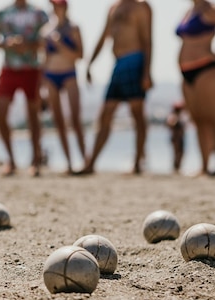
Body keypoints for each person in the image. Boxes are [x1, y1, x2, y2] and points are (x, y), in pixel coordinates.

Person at [79, 0, 153, 175]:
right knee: (106, 113)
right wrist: (90, 63)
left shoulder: (141, 6)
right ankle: (91, 163)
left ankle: (138, 163)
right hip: (118, 64)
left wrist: (146, 72)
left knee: (137, 114)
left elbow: (147, 40)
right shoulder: (113, 8)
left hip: (135, 61)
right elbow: (103, 36)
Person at [0, 0, 49, 177]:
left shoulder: (39, 13)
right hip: (9, 68)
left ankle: (35, 161)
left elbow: (47, 42)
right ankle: (11, 160)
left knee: (33, 115)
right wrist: (7, 44)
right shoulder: (1, 14)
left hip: (32, 68)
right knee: (0, 113)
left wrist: (27, 45)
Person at [176, 0, 215, 176]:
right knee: (198, 120)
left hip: (207, 68)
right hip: (187, 72)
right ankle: (205, 166)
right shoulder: (189, 11)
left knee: (214, 118)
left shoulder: (211, 9)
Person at [42, 0, 85, 174]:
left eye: (58, 5)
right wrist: (41, 85)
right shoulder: (46, 31)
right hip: (51, 76)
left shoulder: (74, 28)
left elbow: (79, 55)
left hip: (69, 73)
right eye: (53, 5)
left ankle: (85, 159)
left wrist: (60, 44)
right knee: (58, 121)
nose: (55, 8)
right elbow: (44, 59)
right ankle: (68, 163)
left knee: (75, 119)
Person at [166, 102, 186, 173]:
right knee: (177, 153)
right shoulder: (174, 116)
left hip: (179, 138)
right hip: (176, 138)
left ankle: (177, 167)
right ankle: (176, 167)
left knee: (180, 153)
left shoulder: (180, 116)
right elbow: (170, 124)